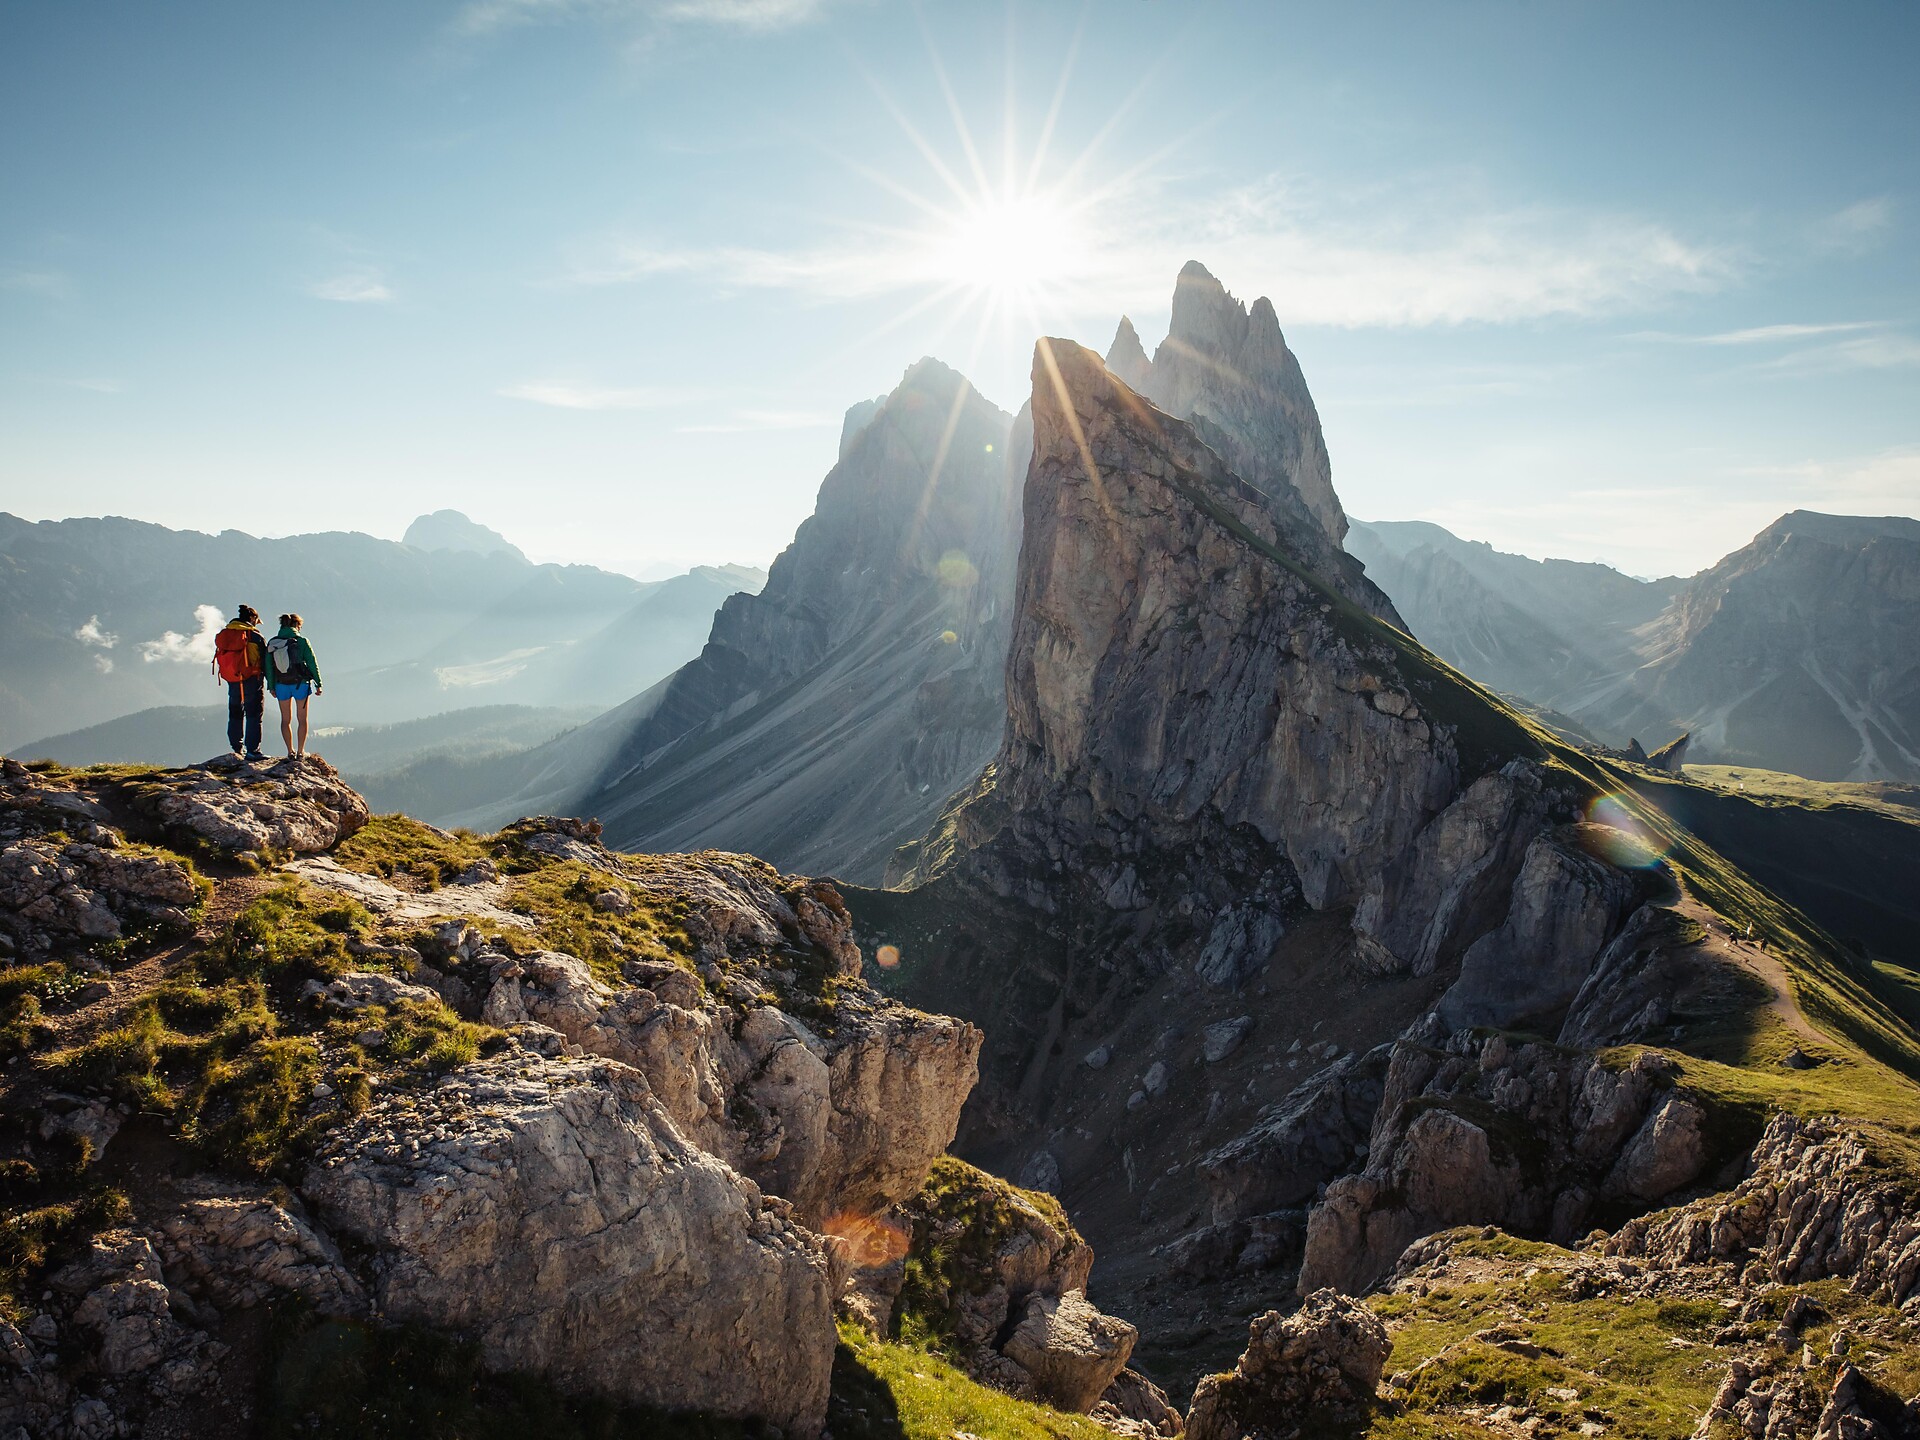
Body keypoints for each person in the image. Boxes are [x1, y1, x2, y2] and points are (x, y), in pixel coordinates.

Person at [211, 604, 269, 760]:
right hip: (252, 679)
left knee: (235, 713)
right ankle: (252, 750)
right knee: (254, 714)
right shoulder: (255, 637)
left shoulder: (227, 634)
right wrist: (271, 682)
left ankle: (236, 747)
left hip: (233, 679)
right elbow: (265, 661)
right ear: (252, 618)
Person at [264, 613, 324, 761]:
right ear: (297, 625)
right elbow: (311, 662)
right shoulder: (302, 641)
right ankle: (300, 751)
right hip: (300, 685)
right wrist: (318, 683)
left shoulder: (273, 642)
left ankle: (290, 751)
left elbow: (268, 667)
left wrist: (271, 686)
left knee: (285, 720)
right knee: (302, 719)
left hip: (281, 685)